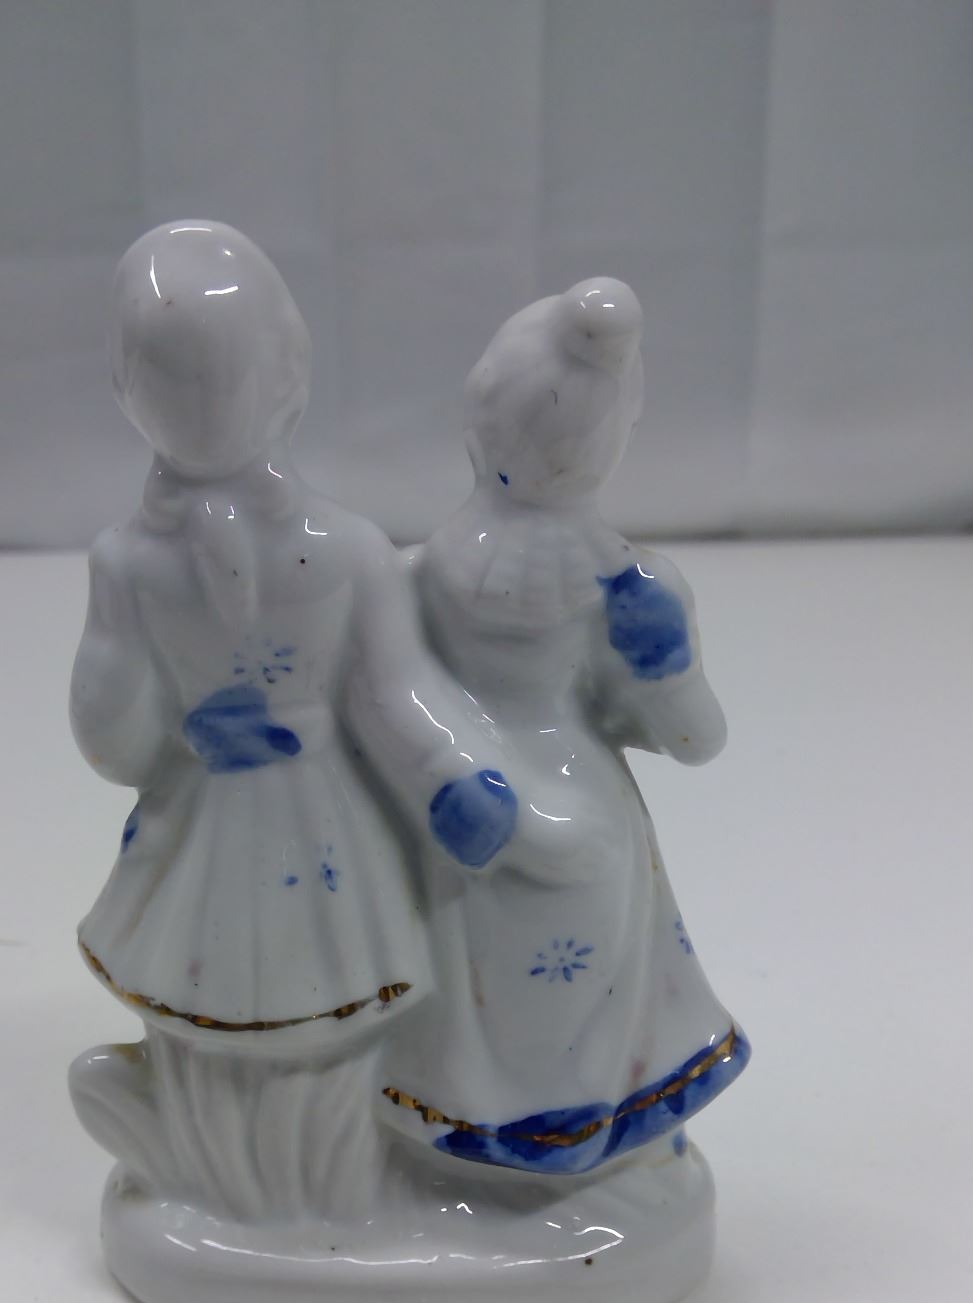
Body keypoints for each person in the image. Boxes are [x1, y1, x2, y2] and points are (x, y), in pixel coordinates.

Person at [69, 221, 565, 1220]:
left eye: (225, 380)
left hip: (316, 829)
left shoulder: (345, 551)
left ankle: (324, 1190)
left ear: (290, 381)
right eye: (172, 382)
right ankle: (227, 1180)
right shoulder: (133, 562)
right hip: (215, 827)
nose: (203, 408)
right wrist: (175, 725)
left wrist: (456, 780)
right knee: (210, 1017)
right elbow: (110, 736)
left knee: (322, 1019)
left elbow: (393, 694)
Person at [379, 278, 749, 1177]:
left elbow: (696, 740)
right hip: (465, 817)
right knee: (468, 1006)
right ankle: (467, 1170)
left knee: (576, 1007)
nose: (560, 457)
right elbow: (385, 696)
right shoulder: (413, 578)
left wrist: (668, 668)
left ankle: (568, 1169)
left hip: (574, 828)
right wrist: (470, 788)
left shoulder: (629, 584)